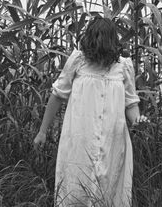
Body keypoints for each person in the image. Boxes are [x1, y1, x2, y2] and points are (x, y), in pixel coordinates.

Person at [33, 16, 148, 207]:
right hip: (79, 141)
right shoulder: (78, 61)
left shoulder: (124, 66)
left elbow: (130, 103)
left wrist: (137, 120)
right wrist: (42, 131)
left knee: (108, 193)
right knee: (75, 189)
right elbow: (57, 94)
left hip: (113, 142)